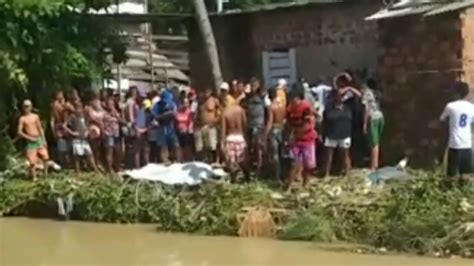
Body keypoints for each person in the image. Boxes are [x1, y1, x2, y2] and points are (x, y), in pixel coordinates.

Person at [440, 81, 474, 179]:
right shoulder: (471, 107)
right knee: (466, 174)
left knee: (451, 174)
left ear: (456, 93)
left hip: (454, 144)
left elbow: (442, 119)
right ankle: (464, 192)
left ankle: (451, 190)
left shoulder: (450, 106)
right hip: (467, 144)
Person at [285, 89, 317, 192]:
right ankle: (289, 186)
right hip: (296, 140)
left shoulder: (306, 107)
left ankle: (305, 183)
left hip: (307, 139)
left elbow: (308, 124)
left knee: (308, 165)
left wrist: (298, 131)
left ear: (298, 98)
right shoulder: (289, 109)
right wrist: (290, 135)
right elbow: (288, 124)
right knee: (293, 163)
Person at [323, 89, 353, 178]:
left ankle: (347, 173)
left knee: (345, 154)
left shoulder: (347, 108)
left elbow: (349, 119)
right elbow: (326, 119)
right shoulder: (329, 108)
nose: (340, 98)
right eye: (338, 96)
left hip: (344, 134)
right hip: (331, 134)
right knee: (329, 155)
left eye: (342, 96)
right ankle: (326, 174)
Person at [18, 100, 50, 181]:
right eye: (25, 106)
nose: (26, 108)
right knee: (32, 161)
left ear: (31, 107)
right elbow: (19, 132)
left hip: (38, 138)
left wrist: (44, 140)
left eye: (28, 106)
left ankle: (46, 175)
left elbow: (40, 128)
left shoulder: (35, 116)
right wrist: (29, 138)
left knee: (45, 157)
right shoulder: (22, 119)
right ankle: (34, 177)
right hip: (30, 140)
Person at [63, 103, 99, 173]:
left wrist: (87, 131)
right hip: (77, 139)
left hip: (84, 138)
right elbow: (64, 125)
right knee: (77, 156)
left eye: (80, 108)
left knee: (89, 154)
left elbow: (87, 125)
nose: (79, 110)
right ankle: (78, 171)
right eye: (78, 108)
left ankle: (96, 170)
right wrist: (72, 132)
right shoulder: (72, 117)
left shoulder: (83, 117)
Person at [244, 78, 270, 172]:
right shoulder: (248, 97)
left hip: (259, 125)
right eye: (252, 86)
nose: (253, 87)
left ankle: (260, 167)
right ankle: (252, 168)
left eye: (254, 85)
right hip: (250, 124)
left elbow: (268, 112)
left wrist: (267, 126)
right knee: (250, 147)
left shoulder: (262, 96)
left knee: (259, 147)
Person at [221, 97, 247, 183]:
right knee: (242, 160)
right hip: (240, 136)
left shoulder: (225, 112)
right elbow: (245, 124)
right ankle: (246, 179)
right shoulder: (241, 110)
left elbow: (223, 130)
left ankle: (234, 180)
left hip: (230, 137)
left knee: (231, 162)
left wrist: (222, 143)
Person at [153, 89, 181, 163]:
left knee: (175, 143)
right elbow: (155, 116)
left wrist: (172, 114)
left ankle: (178, 160)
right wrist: (163, 116)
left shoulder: (173, 104)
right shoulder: (157, 105)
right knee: (163, 145)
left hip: (171, 126)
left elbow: (176, 114)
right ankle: (165, 160)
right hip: (162, 126)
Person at [361, 84, 384, 172]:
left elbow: (366, 109)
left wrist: (365, 124)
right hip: (380, 116)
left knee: (373, 143)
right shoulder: (377, 92)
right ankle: (376, 163)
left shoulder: (366, 94)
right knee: (377, 142)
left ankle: (373, 167)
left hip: (372, 118)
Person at [195, 87, 220, 164]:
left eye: (208, 91)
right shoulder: (200, 102)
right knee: (204, 146)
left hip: (211, 126)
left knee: (213, 145)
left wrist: (214, 122)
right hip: (202, 126)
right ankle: (206, 161)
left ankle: (215, 160)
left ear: (211, 92)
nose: (206, 93)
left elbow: (220, 113)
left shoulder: (214, 101)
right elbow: (198, 114)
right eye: (205, 91)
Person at [266, 88, 286, 182]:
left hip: (274, 130)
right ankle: (284, 174)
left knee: (275, 155)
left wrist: (265, 134)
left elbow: (270, 122)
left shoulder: (271, 107)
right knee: (282, 153)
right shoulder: (282, 105)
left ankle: (277, 177)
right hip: (282, 129)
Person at [85, 95, 105, 167]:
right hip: (92, 129)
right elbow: (91, 118)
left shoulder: (100, 108)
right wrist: (99, 123)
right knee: (93, 147)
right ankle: (92, 164)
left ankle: (97, 162)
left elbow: (103, 115)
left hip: (100, 129)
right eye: (94, 100)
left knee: (98, 148)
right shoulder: (88, 108)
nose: (96, 101)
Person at [103, 97, 122, 172]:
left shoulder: (116, 112)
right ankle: (109, 168)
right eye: (109, 104)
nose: (111, 106)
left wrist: (116, 115)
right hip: (108, 134)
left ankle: (116, 167)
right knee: (109, 152)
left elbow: (120, 121)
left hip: (116, 134)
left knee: (117, 151)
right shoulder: (104, 113)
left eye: (112, 104)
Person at [51, 91, 69, 166]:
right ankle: (62, 163)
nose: (60, 96)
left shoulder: (65, 103)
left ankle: (66, 161)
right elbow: (56, 118)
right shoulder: (55, 104)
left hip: (65, 125)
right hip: (59, 126)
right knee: (61, 144)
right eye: (58, 94)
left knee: (66, 144)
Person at [175, 97, 194, 162]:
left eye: (187, 103)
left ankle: (188, 159)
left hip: (187, 131)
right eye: (184, 103)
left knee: (187, 146)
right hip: (179, 131)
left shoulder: (190, 112)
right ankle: (181, 159)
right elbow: (176, 121)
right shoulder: (178, 111)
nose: (185, 104)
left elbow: (190, 122)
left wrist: (187, 129)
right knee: (180, 146)